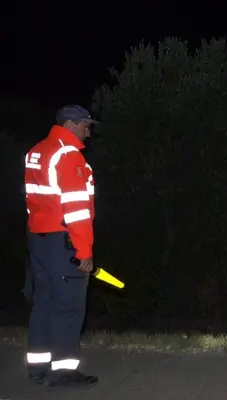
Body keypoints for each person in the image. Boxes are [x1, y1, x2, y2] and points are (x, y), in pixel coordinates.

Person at [23, 104, 99, 389]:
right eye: (85, 125)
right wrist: (84, 251)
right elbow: (77, 210)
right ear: (70, 125)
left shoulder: (36, 152)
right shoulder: (68, 156)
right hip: (63, 242)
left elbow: (34, 200)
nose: (88, 132)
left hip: (39, 240)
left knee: (44, 303)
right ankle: (63, 372)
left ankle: (38, 367)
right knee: (68, 307)